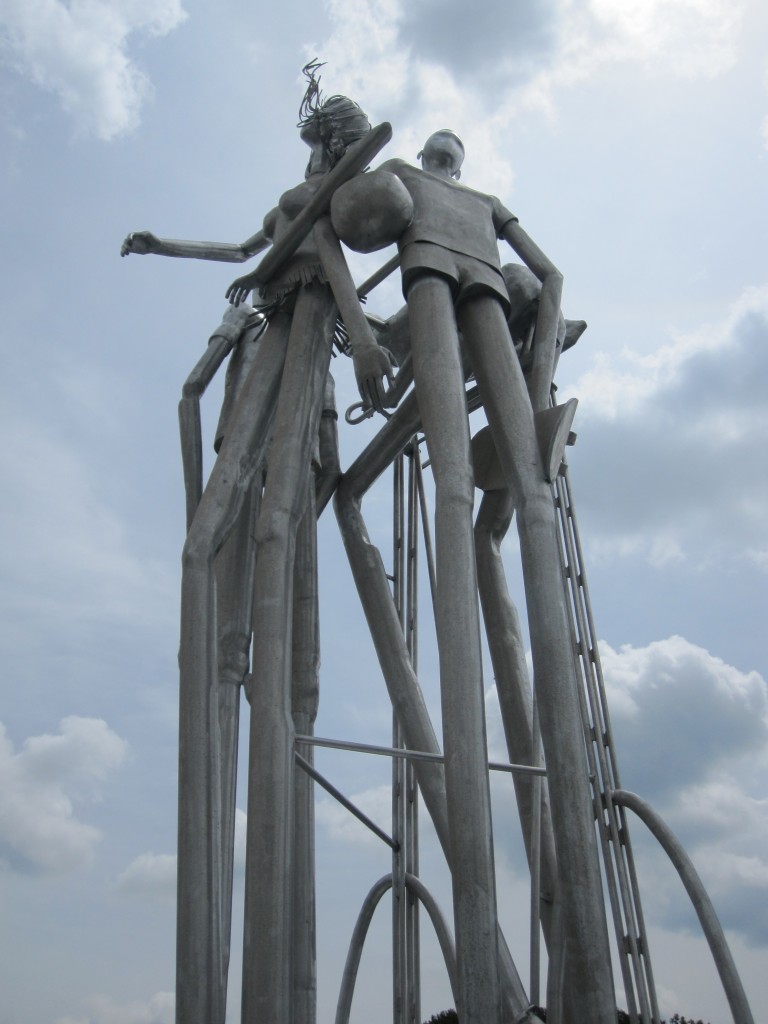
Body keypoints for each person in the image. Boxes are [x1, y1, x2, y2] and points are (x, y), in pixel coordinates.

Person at [122, 64, 389, 1024]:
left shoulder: (337, 198)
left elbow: (338, 270)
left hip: (307, 346)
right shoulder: (297, 196)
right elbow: (242, 249)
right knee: (227, 534)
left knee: (280, 529)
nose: (319, 147)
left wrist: (361, 341)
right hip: (260, 345)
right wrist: (160, 244)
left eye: (328, 134)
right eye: (319, 136)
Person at [335, 131, 617, 1024]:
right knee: (457, 480)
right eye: (444, 143)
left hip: (482, 296)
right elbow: (360, 225)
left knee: (513, 485)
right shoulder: (409, 185)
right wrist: (369, 341)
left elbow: (552, 275)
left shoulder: (479, 201)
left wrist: (542, 370)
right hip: (434, 285)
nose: (447, 150)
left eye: (450, 145)